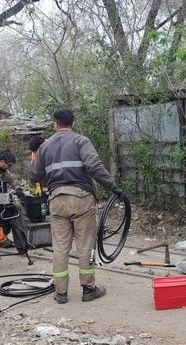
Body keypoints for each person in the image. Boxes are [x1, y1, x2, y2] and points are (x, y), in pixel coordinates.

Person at [29, 108, 121, 304]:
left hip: (56, 200)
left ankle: (61, 293)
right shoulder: (81, 141)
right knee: (85, 244)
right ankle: (88, 288)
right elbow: (95, 166)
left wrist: (47, 181)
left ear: (55, 124)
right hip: (81, 199)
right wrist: (113, 187)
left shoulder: (45, 147)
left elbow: (34, 176)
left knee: (60, 247)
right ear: (73, 122)